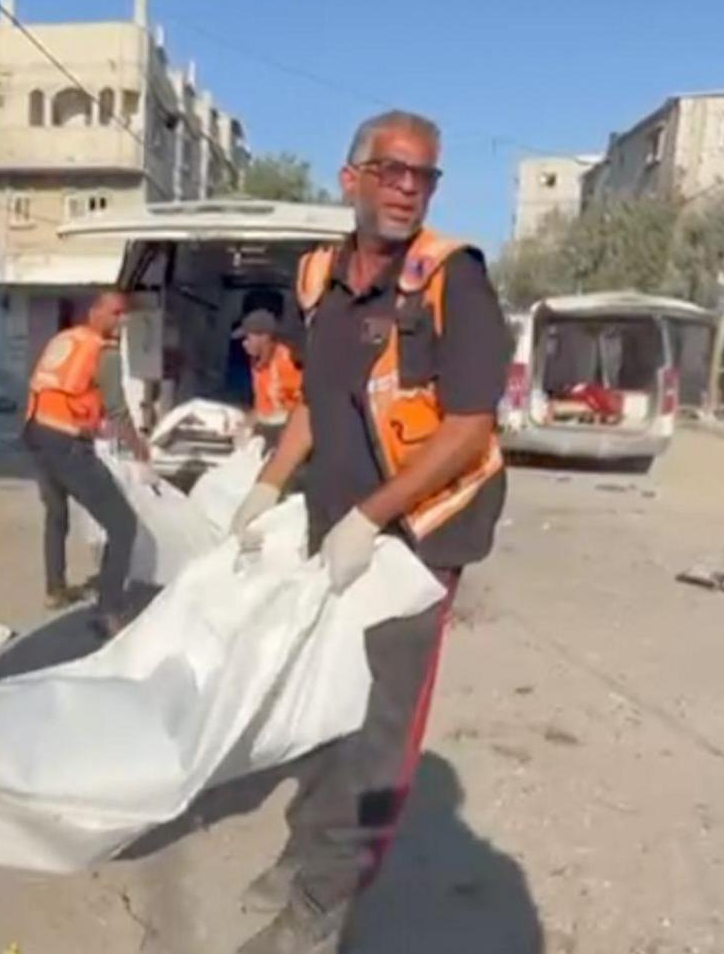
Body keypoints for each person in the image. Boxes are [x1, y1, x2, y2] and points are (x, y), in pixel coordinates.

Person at [226, 110, 511, 953]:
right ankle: (306, 848)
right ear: (349, 179)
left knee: (374, 727)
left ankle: (323, 901)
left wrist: (371, 517)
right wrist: (268, 486)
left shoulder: (453, 280)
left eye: (422, 175)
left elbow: (468, 427)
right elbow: (319, 402)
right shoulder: (319, 279)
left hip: (418, 538)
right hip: (337, 528)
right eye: (389, 170)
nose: (406, 189)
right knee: (318, 699)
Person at [22, 291, 149, 636]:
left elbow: (61, 388)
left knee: (56, 513)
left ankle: (55, 588)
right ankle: (108, 610)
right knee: (122, 525)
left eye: (124, 315)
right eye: (115, 313)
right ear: (95, 312)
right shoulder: (102, 352)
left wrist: (92, 421)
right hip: (66, 443)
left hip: (37, 431)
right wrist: (139, 448)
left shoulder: (65, 339)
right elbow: (119, 409)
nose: (120, 321)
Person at [235, 308, 304, 451]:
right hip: (273, 431)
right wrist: (247, 422)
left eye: (248, 338)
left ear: (264, 337)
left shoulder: (289, 361)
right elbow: (263, 407)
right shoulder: (257, 363)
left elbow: (307, 405)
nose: (244, 344)